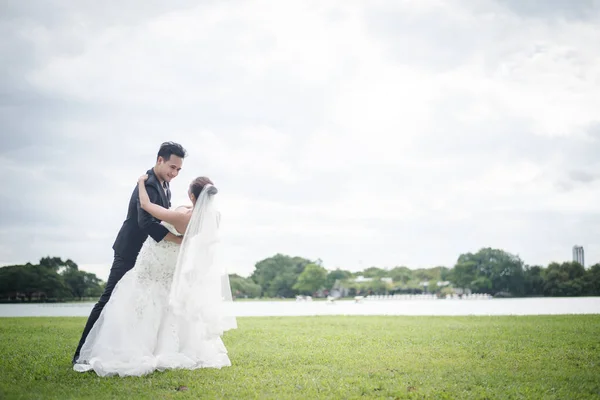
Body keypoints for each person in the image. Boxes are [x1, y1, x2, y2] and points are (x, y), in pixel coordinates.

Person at [73, 174, 236, 377]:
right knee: (165, 302)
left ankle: (138, 346)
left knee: (142, 297)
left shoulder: (180, 217)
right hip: (174, 263)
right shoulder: (213, 217)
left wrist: (141, 182)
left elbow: (146, 205)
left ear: (192, 197)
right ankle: (167, 346)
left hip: (157, 260)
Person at [72, 142, 186, 365]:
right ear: (159, 159)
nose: (174, 173)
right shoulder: (149, 184)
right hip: (130, 249)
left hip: (149, 255)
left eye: (178, 170)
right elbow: (146, 222)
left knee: (135, 303)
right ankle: (81, 353)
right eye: (172, 167)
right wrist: (176, 239)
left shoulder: (165, 185)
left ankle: (125, 349)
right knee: (108, 299)